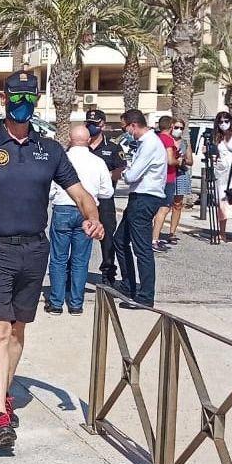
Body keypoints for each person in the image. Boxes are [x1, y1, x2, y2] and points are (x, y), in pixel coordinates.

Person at [0, 71, 104, 450]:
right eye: (16, 96)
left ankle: (5, 392)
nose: (22, 103)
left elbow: (80, 193)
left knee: (17, 331)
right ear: (4, 99)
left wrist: (92, 217)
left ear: (36, 99)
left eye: (29, 96)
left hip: (34, 249)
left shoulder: (51, 150)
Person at [46, 125, 114, 316]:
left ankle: (56, 302)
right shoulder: (98, 162)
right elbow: (107, 191)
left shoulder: (61, 160)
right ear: (89, 140)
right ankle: (76, 303)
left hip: (63, 209)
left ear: (69, 138)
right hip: (88, 212)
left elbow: (50, 191)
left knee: (58, 259)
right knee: (80, 260)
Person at [115, 109, 168, 307]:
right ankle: (128, 284)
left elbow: (131, 175)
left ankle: (145, 296)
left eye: (125, 127)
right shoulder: (143, 144)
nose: (125, 131)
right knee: (120, 240)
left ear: (133, 125)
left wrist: (124, 173)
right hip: (138, 197)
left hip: (146, 198)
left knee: (142, 248)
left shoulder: (150, 144)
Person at [197, 110, 232, 245]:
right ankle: (222, 233)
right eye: (220, 121)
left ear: (230, 121)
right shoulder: (218, 137)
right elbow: (219, 155)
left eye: (226, 121)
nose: (224, 124)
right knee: (222, 204)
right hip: (222, 174)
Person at [85, 109, 125, 287]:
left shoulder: (113, 147)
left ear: (102, 125)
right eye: (88, 123)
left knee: (107, 237)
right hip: (84, 200)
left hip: (105, 200)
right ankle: (75, 272)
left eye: (94, 124)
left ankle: (108, 273)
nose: (90, 127)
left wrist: (103, 176)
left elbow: (119, 171)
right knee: (79, 237)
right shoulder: (79, 146)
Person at [150, 116, 181, 253]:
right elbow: (169, 160)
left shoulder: (155, 138)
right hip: (168, 177)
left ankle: (149, 238)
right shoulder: (167, 139)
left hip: (156, 178)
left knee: (154, 209)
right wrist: (179, 161)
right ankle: (154, 239)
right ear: (171, 126)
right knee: (163, 209)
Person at [163, 118, 194, 244]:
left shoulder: (185, 143)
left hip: (180, 173)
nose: (179, 130)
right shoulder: (166, 140)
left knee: (177, 204)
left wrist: (182, 160)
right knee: (164, 204)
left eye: (181, 128)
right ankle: (156, 228)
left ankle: (172, 232)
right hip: (167, 173)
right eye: (176, 127)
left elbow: (191, 161)